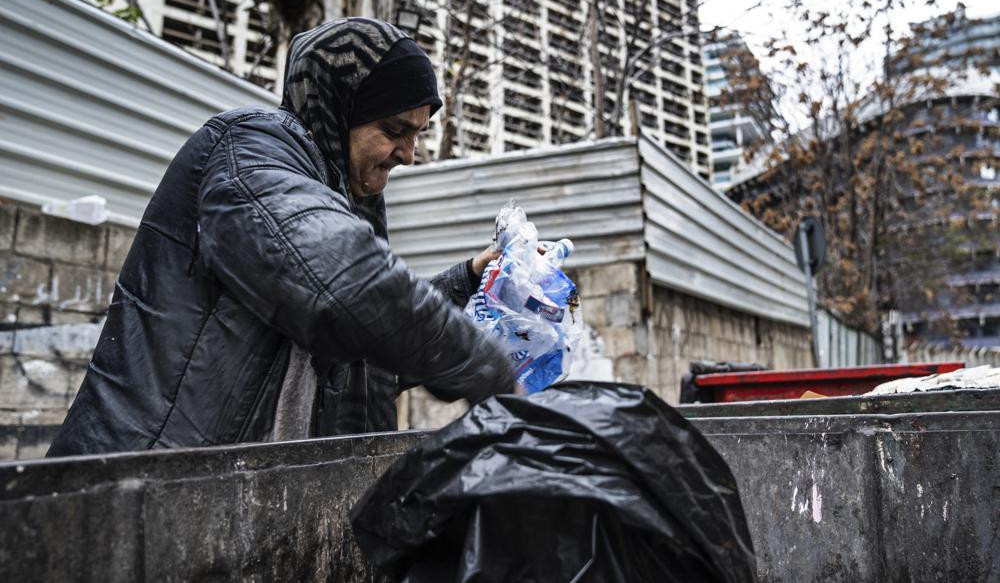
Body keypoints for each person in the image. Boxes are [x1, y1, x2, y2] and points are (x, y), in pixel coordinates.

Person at [46, 18, 516, 457]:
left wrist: (468, 278)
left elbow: (368, 352)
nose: (410, 155)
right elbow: (345, 284)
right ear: (339, 108)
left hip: (235, 504)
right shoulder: (250, 151)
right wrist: (492, 373)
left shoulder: (335, 192)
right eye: (394, 130)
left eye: (418, 134)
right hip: (139, 493)